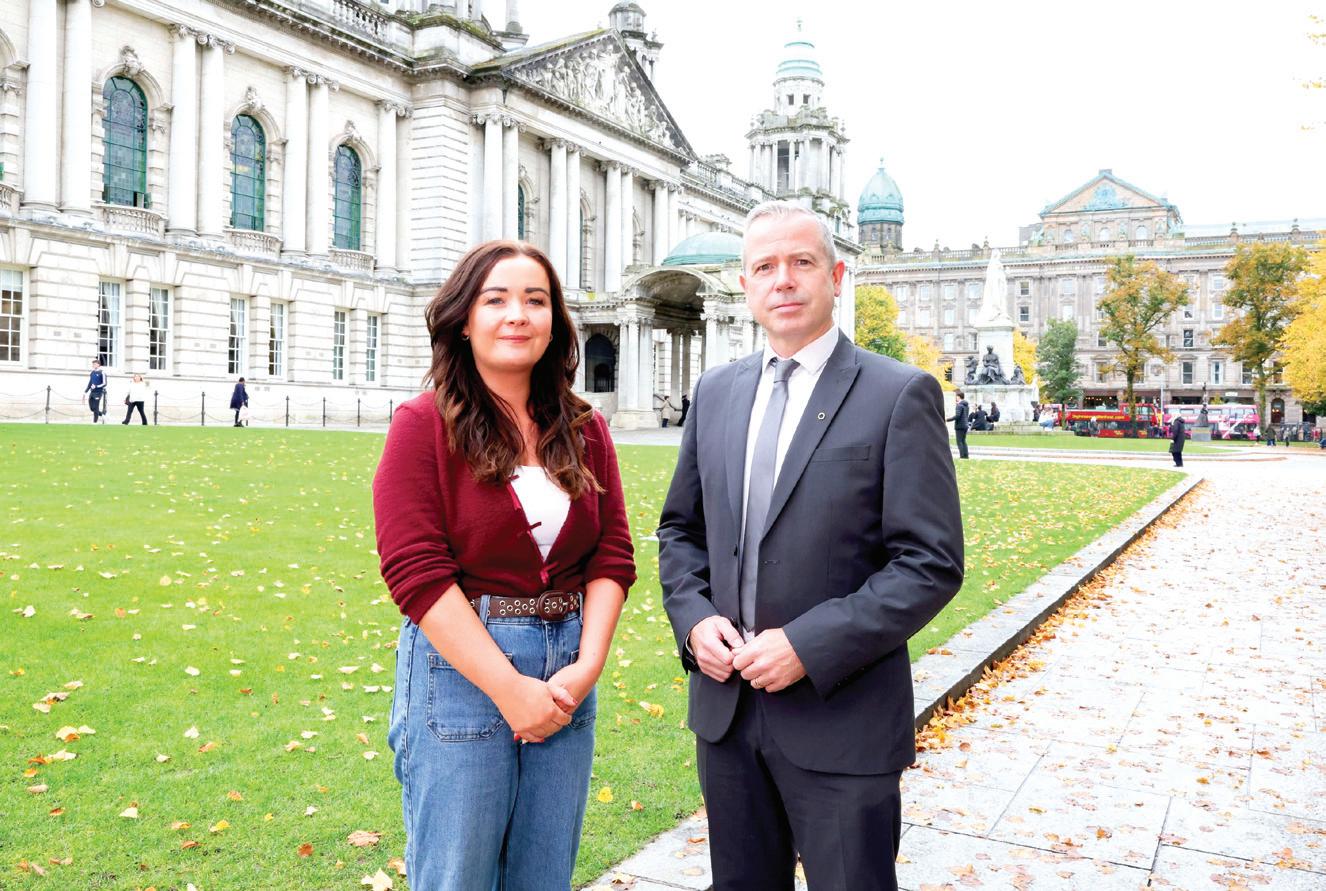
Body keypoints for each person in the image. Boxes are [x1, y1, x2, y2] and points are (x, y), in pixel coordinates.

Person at [658, 202, 964, 891]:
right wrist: (694, 620)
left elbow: (930, 562)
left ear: (836, 276)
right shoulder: (716, 392)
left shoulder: (898, 393)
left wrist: (808, 644)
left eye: (801, 262)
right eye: (765, 266)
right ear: (745, 285)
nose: (784, 280)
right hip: (727, 717)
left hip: (842, 721)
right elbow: (680, 531)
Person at [373, 240, 635, 890]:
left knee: (544, 875)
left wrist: (588, 665)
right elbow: (416, 572)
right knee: (458, 875)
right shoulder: (423, 424)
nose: (517, 314)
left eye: (535, 300)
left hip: (568, 671)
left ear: (554, 321)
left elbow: (612, 554)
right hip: (461, 672)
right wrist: (509, 689)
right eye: (496, 299)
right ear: (465, 319)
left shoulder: (585, 428)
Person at [947, 388, 971, 459]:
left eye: (956, 397)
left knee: (959, 441)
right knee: (963, 441)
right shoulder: (966, 405)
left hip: (960, 425)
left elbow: (957, 416)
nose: (955, 398)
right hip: (965, 425)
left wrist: (948, 419)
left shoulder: (959, 405)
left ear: (958, 397)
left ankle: (962, 456)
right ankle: (966, 455)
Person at [84, 359, 107, 423]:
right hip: (92, 392)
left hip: (98, 392)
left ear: (98, 365)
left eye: (95, 364)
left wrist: (96, 386)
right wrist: (85, 391)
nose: (93, 365)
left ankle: (95, 422)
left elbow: (105, 383)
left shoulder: (102, 372)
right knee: (92, 408)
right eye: (93, 364)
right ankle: (102, 415)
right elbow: (90, 382)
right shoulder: (92, 373)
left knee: (96, 407)